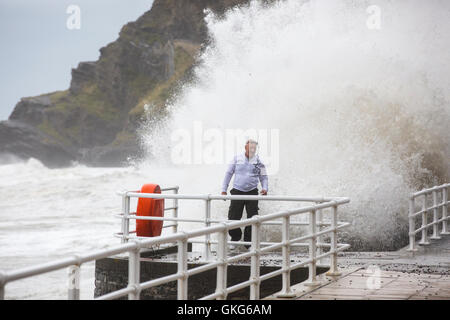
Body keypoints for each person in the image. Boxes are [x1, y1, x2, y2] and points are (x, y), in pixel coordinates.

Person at [221, 139, 268, 249]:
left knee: (252, 217)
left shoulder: (259, 162)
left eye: (254, 148)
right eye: (250, 147)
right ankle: (235, 239)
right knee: (233, 216)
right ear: (245, 147)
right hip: (237, 191)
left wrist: (265, 188)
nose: (252, 149)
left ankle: (248, 243)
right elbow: (228, 173)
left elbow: (264, 177)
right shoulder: (237, 158)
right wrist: (224, 189)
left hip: (252, 192)